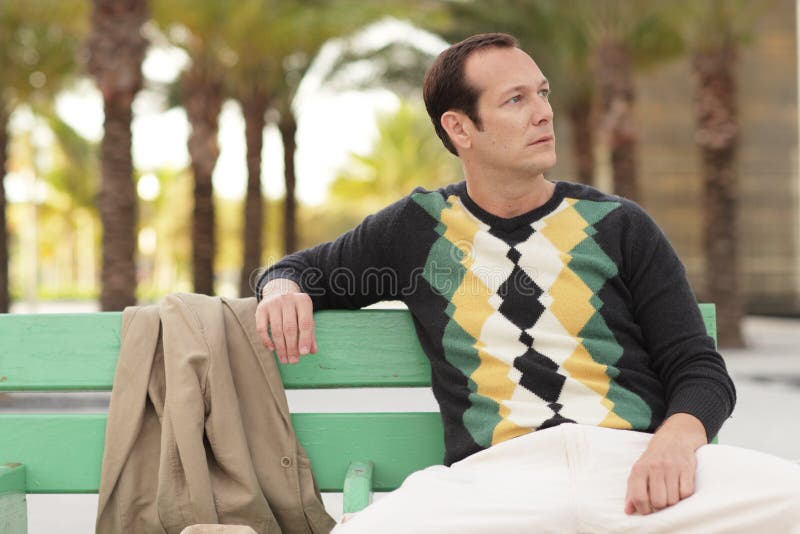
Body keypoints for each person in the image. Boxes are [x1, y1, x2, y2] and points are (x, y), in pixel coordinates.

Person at [254, 33, 800, 533]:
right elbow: (298, 271)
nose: (543, 113)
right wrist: (280, 289)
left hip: (632, 468)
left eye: (542, 93)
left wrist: (674, 445)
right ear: (459, 128)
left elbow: (699, 368)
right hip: (494, 483)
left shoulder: (617, 224)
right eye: (516, 100)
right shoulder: (415, 230)